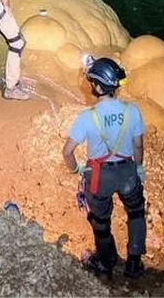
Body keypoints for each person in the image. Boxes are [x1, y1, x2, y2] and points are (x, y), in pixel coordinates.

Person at [62, 57, 146, 279]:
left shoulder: (87, 118)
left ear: (98, 87)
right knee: (136, 213)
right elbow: (138, 145)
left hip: (99, 176)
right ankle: (134, 263)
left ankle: (106, 261)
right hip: (127, 171)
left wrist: (76, 171)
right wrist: (138, 169)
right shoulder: (132, 111)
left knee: (100, 221)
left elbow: (67, 152)